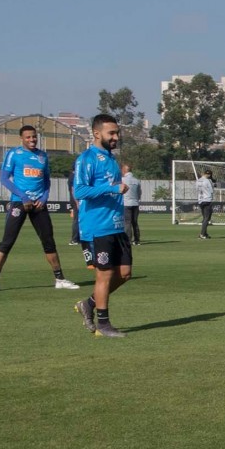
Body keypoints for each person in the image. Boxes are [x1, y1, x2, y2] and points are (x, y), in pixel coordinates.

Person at [0, 125, 79, 292]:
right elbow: (4, 178)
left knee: (49, 242)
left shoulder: (42, 156)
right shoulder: (14, 154)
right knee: (7, 242)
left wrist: (43, 198)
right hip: (19, 203)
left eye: (34, 137)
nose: (32, 140)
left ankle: (59, 279)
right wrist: (23, 197)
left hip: (38, 205)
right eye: (28, 137)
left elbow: (47, 181)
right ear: (21, 138)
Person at [73, 114, 132, 338]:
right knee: (104, 276)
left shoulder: (110, 159)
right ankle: (104, 325)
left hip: (116, 226)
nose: (116, 137)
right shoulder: (86, 159)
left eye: (117, 133)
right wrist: (111, 188)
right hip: (97, 228)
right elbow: (79, 191)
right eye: (112, 133)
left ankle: (89, 303)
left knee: (125, 274)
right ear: (97, 134)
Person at [122, 164, 142, 245]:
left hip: (126, 203)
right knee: (135, 222)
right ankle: (137, 240)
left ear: (124, 171)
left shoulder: (122, 180)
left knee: (127, 222)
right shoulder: (137, 180)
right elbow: (139, 193)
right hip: (135, 203)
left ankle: (128, 240)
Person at [197, 169, 214, 239]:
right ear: (209, 175)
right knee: (207, 218)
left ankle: (205, 233)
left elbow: (196, 189)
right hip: (207, 200)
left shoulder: (198, 180)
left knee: (204, 218)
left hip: (200, 200)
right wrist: (213, 185)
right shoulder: (207, 181)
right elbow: (211, 191)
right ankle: (202, 234)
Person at [67, 171, 80, 245]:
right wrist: (77, 202)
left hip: (76, 200)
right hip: (76, 201)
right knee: (77, 220)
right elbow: (73, 190)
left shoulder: (73, 175)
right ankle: (74, 239)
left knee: (79, 220)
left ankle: (78, 239)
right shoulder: (73, 176)